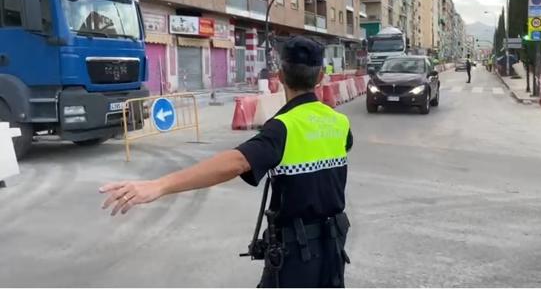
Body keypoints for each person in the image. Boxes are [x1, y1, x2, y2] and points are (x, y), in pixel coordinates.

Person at [99, 36, 353, 288]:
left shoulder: (282, 128)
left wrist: (160, 185)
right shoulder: (340, 123)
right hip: (333, 250)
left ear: (280, 76)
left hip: (298, 257)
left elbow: (236, 162)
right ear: (320, 76)